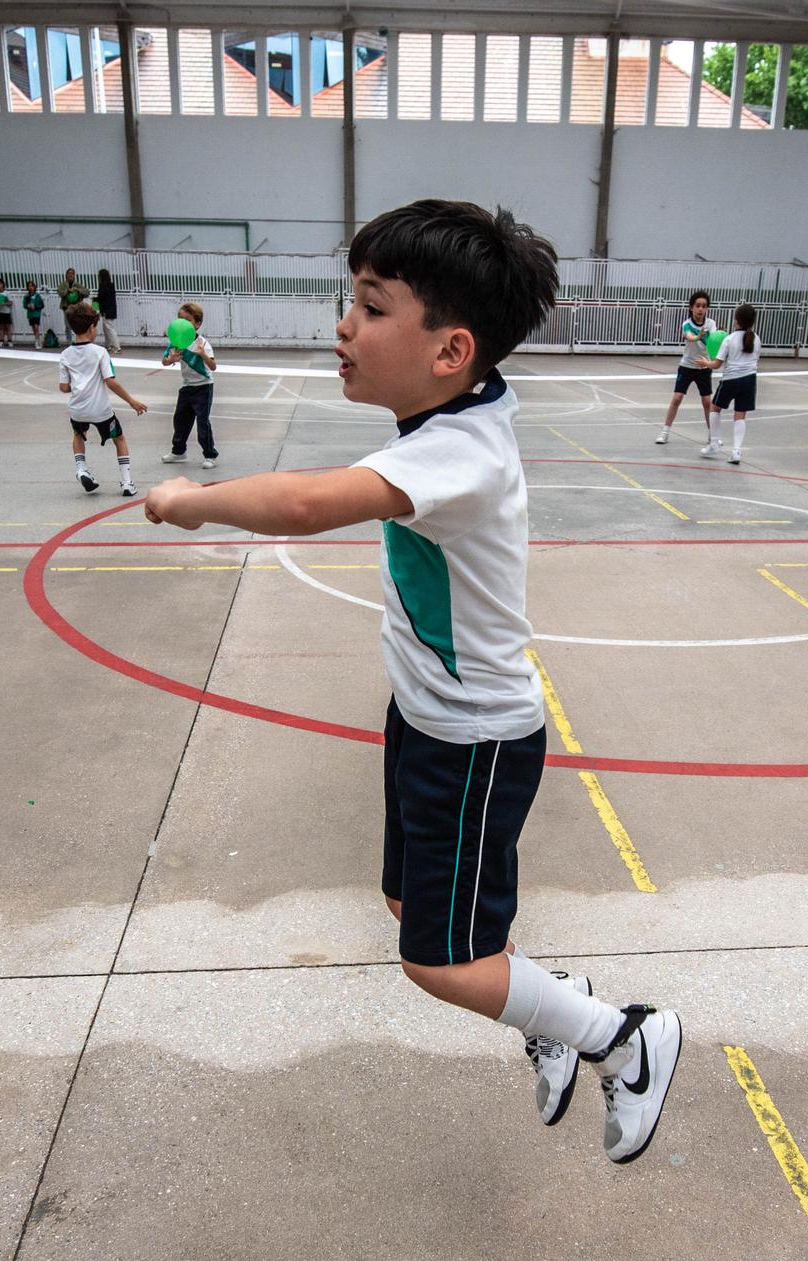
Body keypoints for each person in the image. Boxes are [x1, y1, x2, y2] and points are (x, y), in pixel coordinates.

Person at [143, 199, 683, 1165]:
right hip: (426, 722)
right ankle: (547, 1006)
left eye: (372, 305)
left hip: (475, 741)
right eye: (350, 299)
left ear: (450, 349)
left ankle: (623, 1036)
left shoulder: (459, 452)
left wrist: (192, 503)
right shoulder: (451, 413)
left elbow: (309, 501)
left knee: (436, 961)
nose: (342, 326)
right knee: (409, 904)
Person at [59, 303, 148, 495]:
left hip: (78, 409)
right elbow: (110, 381)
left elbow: (64, 387)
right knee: (119, 438)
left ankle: (81, 469)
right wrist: (131, 401)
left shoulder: (65, 355)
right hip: (100, 410)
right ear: (92, 327)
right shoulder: (100, 352)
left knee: (78, 435)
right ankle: (126, 482)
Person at [655, 290, 718, 451]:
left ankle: (713, 436)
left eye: (704, 306)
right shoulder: (687, 324)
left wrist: (710, 361)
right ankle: (665, 432)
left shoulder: (711, 324)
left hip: (703, 367)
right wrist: (698, 336)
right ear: (691, 307)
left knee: (707, 402)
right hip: (687, 366)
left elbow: (714, 344)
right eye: (697, 306)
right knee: (677, 398)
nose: (700, 309)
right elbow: (689, 336)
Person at [160, 301, 220, 468]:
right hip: (187, 387)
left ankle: (210, 455)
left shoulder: (202, 343)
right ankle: (179, 452)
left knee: (202, 422)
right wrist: (171, 359)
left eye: (187, 320)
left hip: (203, 387)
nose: (182, 323)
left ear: (197, 323)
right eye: (180, 319)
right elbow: (164, 361)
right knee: (180, 420)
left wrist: (203, 355)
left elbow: (213, 366)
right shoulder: (176, 341)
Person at [705, 301, 759, 464]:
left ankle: (714, 443)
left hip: (730, 380)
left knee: (714, 408)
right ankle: (736, 451)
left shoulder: (729, 339)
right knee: (740, 415)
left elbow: (716, 364)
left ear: (736, 320)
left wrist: (704, 363)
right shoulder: (756, 339)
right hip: (750, 380)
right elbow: (756, 360)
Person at [95, 267, 122, 353]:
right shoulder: (111, 286)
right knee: (106, 328)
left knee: (109, 329)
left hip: (106, 311)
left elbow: (100, 298)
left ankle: (116, 347)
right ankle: (108, 345)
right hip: (111, 310)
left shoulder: (103, 286)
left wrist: (95, 301)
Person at [0, 283, 14, 348]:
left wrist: (3, 304)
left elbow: (10, 302)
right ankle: (1, 341)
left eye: (0, 284)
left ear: (3, 285)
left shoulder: (7, 293)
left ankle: (9, 341)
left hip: (6, 312)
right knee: (1, 328)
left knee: (8, 328)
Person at [24, 281, 45, 346]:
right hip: (30, 314)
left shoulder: (37, 295)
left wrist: (35, 307)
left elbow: (42, 305)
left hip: (36, 313)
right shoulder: (26, 296)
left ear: (34, 287)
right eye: (29, 286)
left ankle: (38, 341)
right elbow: (24, 305)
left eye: (32, 286)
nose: (30, 287)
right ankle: (36, 339)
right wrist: (28, 306)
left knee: (36, 327)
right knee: (33, 327)